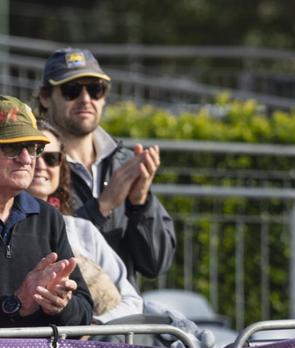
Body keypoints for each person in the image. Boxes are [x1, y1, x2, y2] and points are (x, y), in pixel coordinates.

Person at [35, 48, 175, 284]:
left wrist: (140, 204)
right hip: (64, 314)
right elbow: (36, 246)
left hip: (123, 312)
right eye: (72, 90)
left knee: (183, 323)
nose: (86, 99)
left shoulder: (124, 162)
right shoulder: (33, 162)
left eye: (95, 89)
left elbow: (156, 263)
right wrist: (102, 206)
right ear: (45, 97)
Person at [29, 121, 143, 323]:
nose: (41, 165)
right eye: (33, 154)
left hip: (92, 347)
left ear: (61, 167)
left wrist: (92, 329)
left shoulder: (82, 230)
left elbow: (132, 300)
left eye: (52, 158)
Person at [0, 96, 91, 328]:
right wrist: (16, 304)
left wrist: (61, 305)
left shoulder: (48, 218)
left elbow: (84, 310)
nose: (26, 158)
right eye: (11, 147)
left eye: (33, 147)